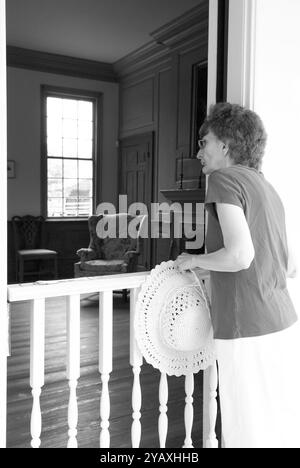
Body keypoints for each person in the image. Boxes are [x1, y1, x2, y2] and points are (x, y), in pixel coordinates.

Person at [175, 102, 299, 448]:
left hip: (247, 325)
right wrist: (210, 264)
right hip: (282, 321)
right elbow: (288, 265)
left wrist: (191, 259)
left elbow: (240, 255)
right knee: (278, 426)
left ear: (225, 146)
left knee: (246, 430)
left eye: (205, 143)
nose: (199, 152)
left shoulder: (223, 179)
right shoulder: (267, 188)